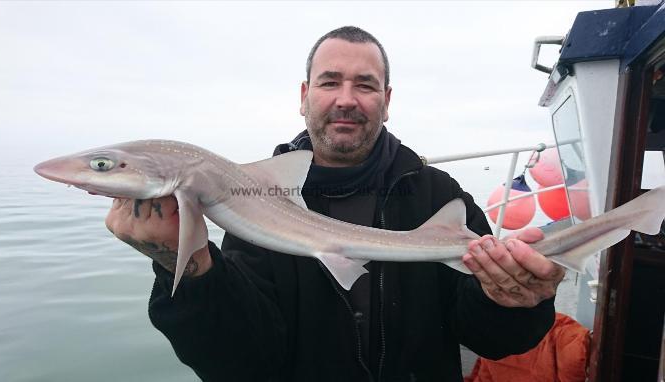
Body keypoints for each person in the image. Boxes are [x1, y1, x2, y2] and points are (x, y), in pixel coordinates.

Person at [105, 26, 564, 381]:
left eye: (365, 85)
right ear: (305, 96)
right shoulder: (256, 203)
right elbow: (241, 360)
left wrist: (514, 303)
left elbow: (490, 338)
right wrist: (182, 267)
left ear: (386, 102)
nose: (347, 100)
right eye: (330, 82)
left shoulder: (436, 195)